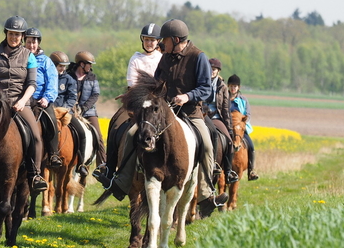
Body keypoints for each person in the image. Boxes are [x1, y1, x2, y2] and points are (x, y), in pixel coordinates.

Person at [100, 19, 228, 209]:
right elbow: (155, 85)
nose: (161, 44)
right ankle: (121, 182)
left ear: (176, 40)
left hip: (191, 111)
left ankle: (206, 194)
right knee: (130, 134)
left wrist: (188, 96)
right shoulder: (166, 57)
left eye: (165, 41)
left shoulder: (198, 57)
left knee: (208, 144)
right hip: (164, 111)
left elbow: (206, 89)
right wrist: (134, 95)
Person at [0, 16, 48, 191]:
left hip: (19, 103)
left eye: (17, 35)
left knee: (35, 136)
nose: (14, 37)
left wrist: (23, 102)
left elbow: (32, 84)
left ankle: (35, 174)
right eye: (11, 33)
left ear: (22, 36)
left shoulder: (29, 56)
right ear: (6, 33)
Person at [94, 23, 163, 184]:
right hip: (138, 103)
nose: (149, 43)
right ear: (142, 40)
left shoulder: (162, 59)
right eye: (146, 39)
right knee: (116, 124)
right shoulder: (136, 58)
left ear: (157, 42)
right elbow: (133, 84)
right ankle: (110, 170)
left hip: (158, 103)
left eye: (152, 40)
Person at [24, 28, 62, 168]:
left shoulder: (46, 61)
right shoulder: (20, 57)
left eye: (34, 42)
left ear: (38, 43)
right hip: (23, 100)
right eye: (28, 42)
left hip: (41, 100)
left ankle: (53, 154)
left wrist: (47, 98)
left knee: (51, 121)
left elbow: (52, 82)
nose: (31, 45)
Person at [50, 50, 89, 177]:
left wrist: (64, 110)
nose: (63, 69)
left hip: (65, 112)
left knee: (81, 132)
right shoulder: (48, 77)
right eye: (60, 66)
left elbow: (72, 97)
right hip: (50, 111)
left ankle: (81, 164)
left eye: (64, 66)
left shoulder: (69, 79)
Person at [68, 51, 106, 167]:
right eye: (89, 64)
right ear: (82, 64)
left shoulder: (92, 77)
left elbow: (95, 95)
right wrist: (72, 108)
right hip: (71, 111)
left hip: (88, 111)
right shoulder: (68, 75)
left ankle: (103, 164)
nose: (91, 66)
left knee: (98, 136)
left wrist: (84, 108)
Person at [204, 58, 238, 184]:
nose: (211, 72)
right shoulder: (201, 81)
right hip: (202, 115)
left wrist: (229, 128)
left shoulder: (222, 86)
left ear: (218, 71)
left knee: (229, 141)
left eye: (214, 70)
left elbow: (225, 108)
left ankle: (228, 172)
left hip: (216, 117)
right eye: (210, 69)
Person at [227, 74, 259, 181]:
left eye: (235, 86)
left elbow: (248, 114)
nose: (233, 88)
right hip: (228, 128)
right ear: (228, 86)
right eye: (231, 86)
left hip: (240, 129)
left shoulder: (243, 100)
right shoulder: (224, 98)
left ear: (238, 87)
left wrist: (241, 124)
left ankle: (251, 170)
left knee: (251, 145)